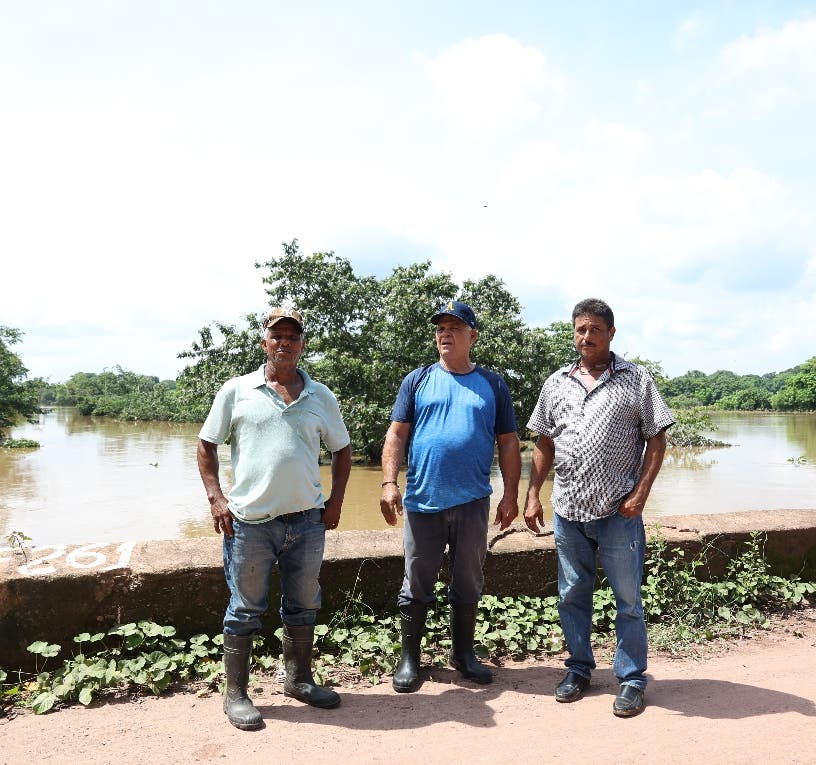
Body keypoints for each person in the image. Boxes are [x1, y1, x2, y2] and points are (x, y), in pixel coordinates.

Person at [197, 306, 351, 730]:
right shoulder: (236, 390)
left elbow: (341, 449)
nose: (285, 343)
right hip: (250, 522)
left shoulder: (321, 396)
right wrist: (216, 498)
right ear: (264, 343)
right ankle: (236, 694)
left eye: (293, 337)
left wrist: (335, 502)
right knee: (245, 609)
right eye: (276, 336)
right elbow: (206, 443)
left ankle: (299, 680)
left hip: (307, 521)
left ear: (302, 346)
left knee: (303, 605)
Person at [524, 298, 674, 717]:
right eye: (579, 330)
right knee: (572, 593)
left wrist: (641, 492)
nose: (584, 337)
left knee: (627, 598)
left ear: (610, 333)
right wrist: (533, 493)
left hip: (618, 512)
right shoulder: (556, 381)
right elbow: (544, 441)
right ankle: (578, 669)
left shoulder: (636, 379)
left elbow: (657, 438)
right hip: (568, 509)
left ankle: (630, 679)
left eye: (593, 330)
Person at [380, 300, 521, 692]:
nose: (445, 333)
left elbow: (509, 443)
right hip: (423, 500)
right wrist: (389, 483)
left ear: (472, 336)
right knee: (417, 582)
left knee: (468, 580)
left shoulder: (493, 384)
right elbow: (397, 434)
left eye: (454, 328)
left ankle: (463, 655)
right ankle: (410, 659)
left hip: (473, 501)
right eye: (440, 328)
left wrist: (511, 496)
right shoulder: (418, 379)